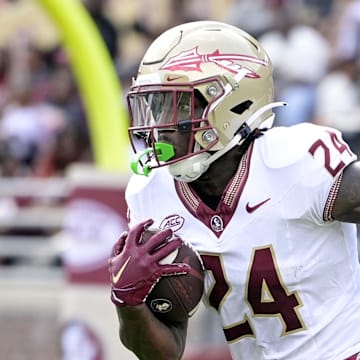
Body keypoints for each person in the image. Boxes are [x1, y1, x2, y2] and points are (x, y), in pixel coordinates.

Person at [108, 21, 360, 360]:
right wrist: (129, 302)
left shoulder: (296, 161)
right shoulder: (150, 193)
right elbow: (164, 353)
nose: (159, 126)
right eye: (155, 107)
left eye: (178, 106)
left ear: (232, 104)